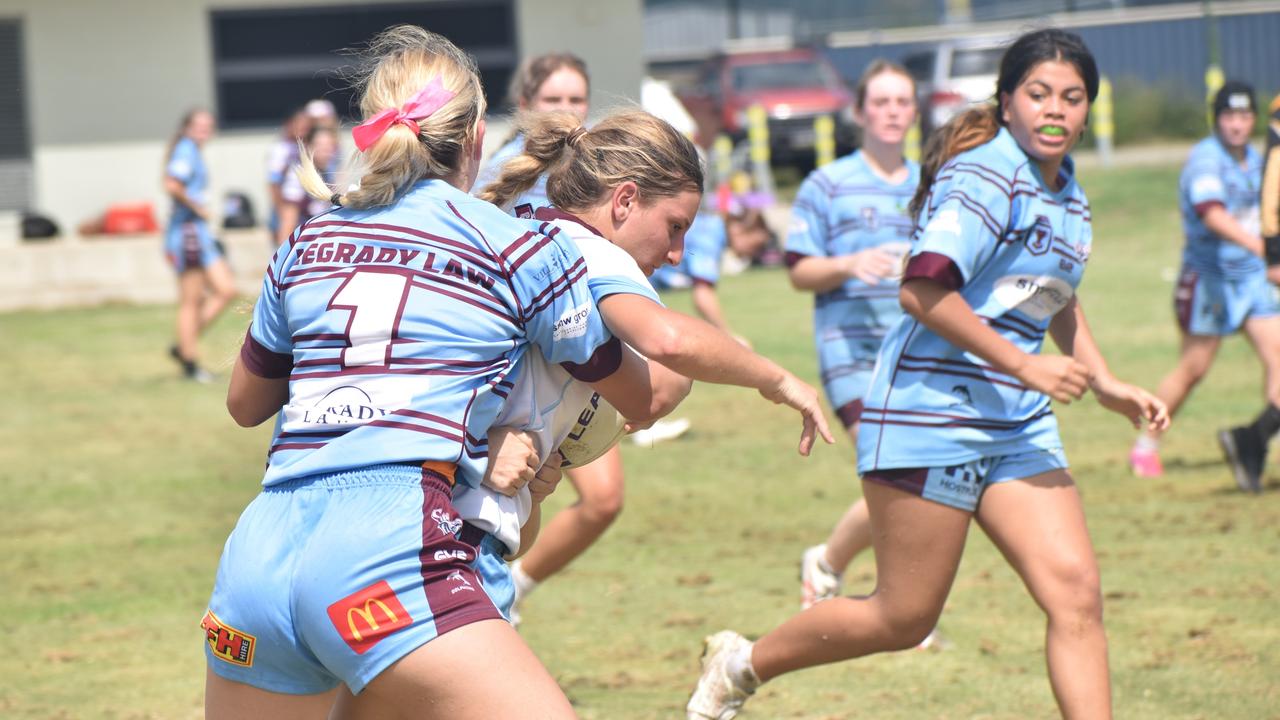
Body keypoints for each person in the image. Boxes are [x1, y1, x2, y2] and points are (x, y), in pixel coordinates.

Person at [204, 27, 829, 720]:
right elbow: (648, 387)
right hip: (385, 548)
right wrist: (765, 379)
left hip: (258, 561)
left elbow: (245, 401)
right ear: (475, 138)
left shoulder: (309, 238)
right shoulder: (521, 248)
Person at [687, 28, 1169, 720]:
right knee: (904, 618)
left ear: (1091, 108)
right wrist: (1024, 364)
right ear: (1007, 103)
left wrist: (1106, 381)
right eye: (1038, 94)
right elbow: (922, 289)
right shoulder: (982, 177)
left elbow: (1053, 294)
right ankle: (742, 663)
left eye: (1073, 96)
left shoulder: (1070, 194)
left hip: (1015, 426)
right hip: (927, 416)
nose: (1055, 109)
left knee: (1076, 594)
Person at [784, 60, 924, 616]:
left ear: (915, 112)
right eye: (882, 102)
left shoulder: (930, 185)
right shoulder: (828, 184)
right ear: (860, 112)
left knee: (911, 477)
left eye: (903, 102)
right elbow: (798, 271)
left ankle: (833, 566)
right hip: (852, 355)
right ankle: (888, 599)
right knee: (894, 467)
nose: (892, 112)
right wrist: (849, 264)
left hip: (918, 352)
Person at [1128, 81, 1278, 493]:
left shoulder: (1256, 159)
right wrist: (1264, 249)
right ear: (1217, 119)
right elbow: (1211, 214)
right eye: (1229, 116)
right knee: (1194, 369)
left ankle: (1259, 442)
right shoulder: (1205, 159)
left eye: (1245, 116)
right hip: (1208, 279)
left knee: (1278, 355)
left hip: (1250, 278)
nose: (1237, 125)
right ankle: (1145, 445)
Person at [163, 108, 236, 383]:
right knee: (191, 300)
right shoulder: (185, 150)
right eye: (200, 126)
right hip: (188, 233)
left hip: (199, 233)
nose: (205, 131)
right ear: (187, 128)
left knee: (225, 289)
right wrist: (198, 209)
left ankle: (184, 344)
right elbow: (172, 184)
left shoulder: (192, 151)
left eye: (209, 126)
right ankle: (190, 361)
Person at [474, 52, 589, 214]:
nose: (566, 109)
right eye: (553, 99)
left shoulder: (597, 154)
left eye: (576, 100)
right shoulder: (505, 164)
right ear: (525, 105)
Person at [275, 125, 340, 245]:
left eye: (330, 146)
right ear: (309, 146)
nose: (326, 151)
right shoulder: (298, 176)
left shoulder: (327, 172)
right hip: (301, 244)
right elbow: (288, 220)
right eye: (321, 146)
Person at [266, 108, 312, 241]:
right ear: (289, 124)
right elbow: (274, 182)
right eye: (299, 123)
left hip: (305, 202)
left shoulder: (304, 146)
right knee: (286, 238)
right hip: (289, 201)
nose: (304, 128)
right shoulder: (281, 149)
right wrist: (280, 208)